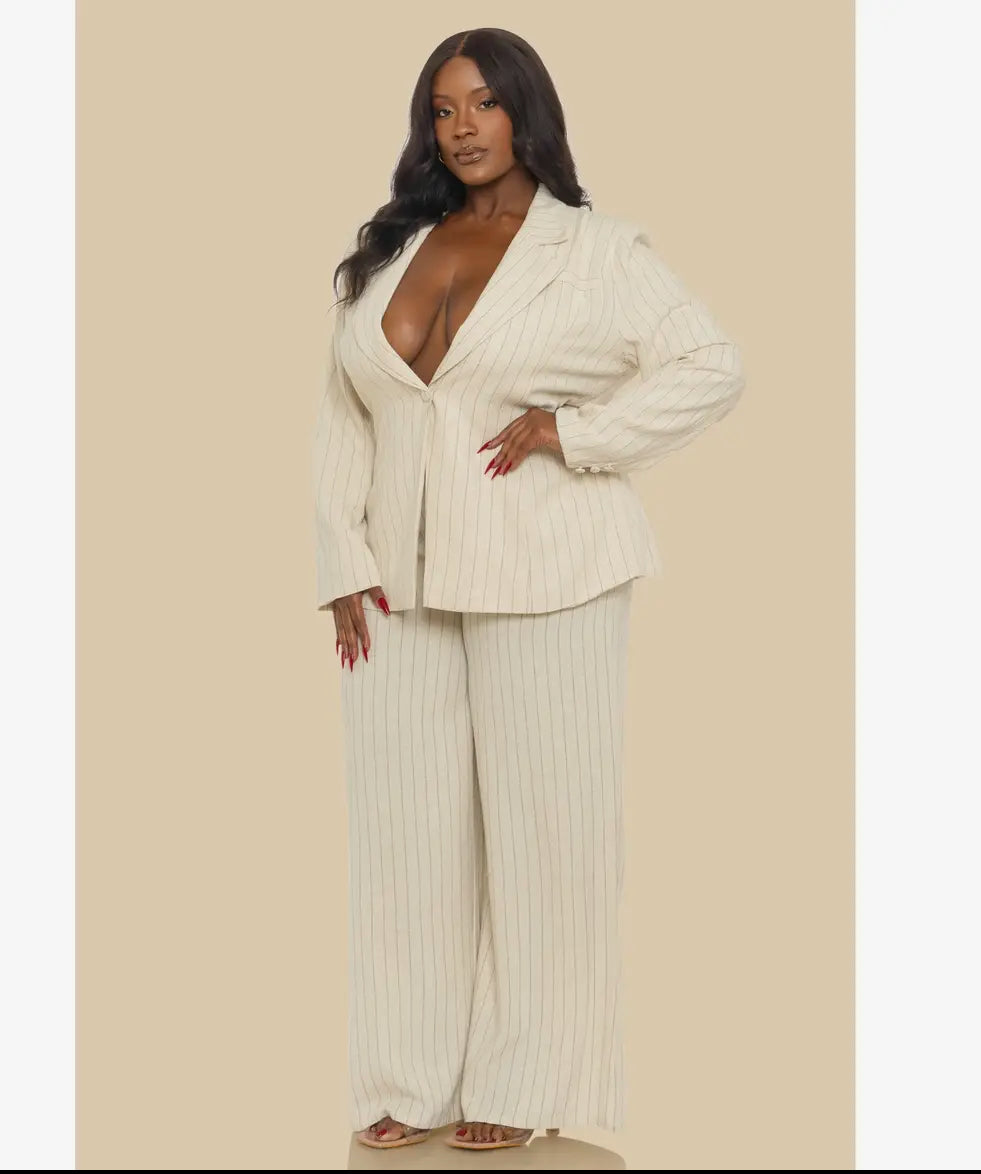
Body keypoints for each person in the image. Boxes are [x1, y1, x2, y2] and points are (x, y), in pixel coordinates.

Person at [311, 26, 745, 1153]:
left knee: (549, 837)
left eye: (484, 103)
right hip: (398, 579)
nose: (462, 127)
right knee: (403, 837)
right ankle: (409, 1074)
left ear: (526, 113)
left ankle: (528, 1076)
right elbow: (348, 409)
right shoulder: (394, 249)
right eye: (443, 108)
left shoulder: (596, 251)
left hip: (551, 565)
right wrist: (342, 560)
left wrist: (577, 432)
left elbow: (710, 364)